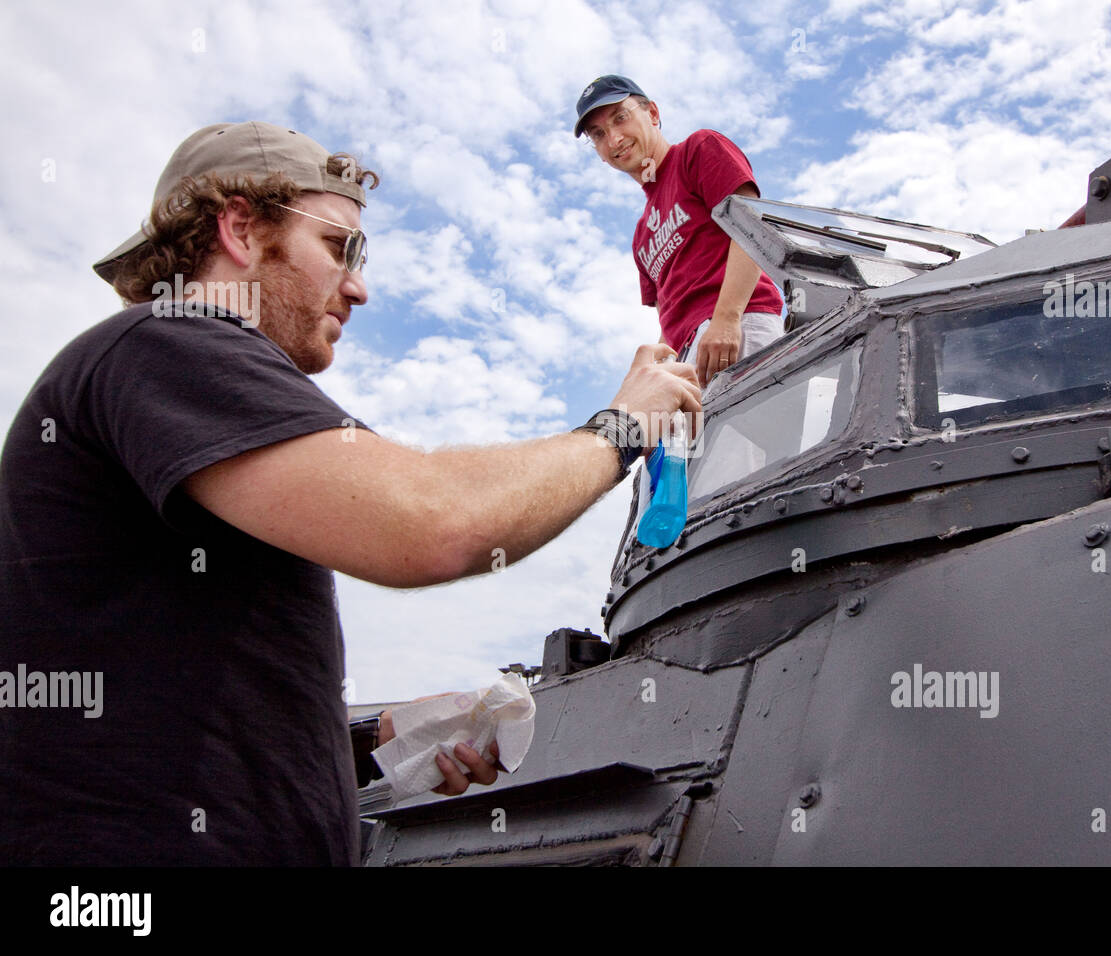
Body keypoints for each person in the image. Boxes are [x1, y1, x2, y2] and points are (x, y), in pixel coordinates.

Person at [0, 121, 700, 865]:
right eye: (341, 248)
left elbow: (185, 710)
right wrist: (623, 426)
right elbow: (437, 523)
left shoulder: (177, 391)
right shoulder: (168, 343)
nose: (360, 286)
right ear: (241, 228)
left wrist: (374, 747)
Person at [574, 75, 786, 388]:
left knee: (759, 437)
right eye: (599, 135)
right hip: (686, 360)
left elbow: (753, 229)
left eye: (621, 118)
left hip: (737, 326)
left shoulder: (698, 150)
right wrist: (656, 379)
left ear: (653, 114)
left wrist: (727, 318)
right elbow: (669, 317)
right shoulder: (641, 236)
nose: (615, 139)